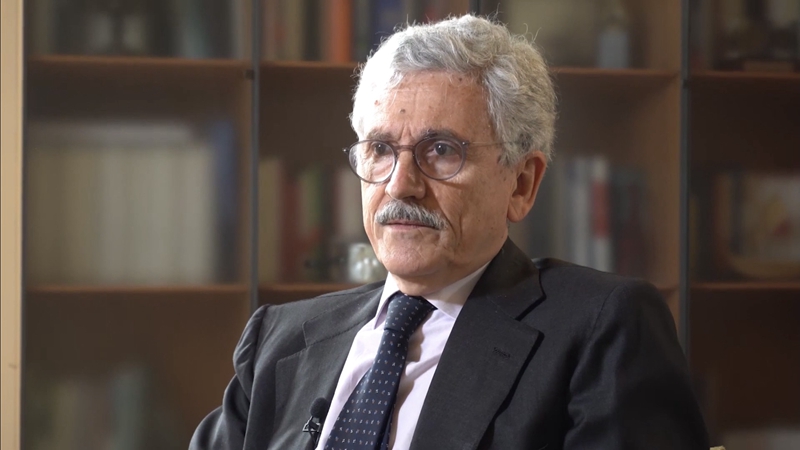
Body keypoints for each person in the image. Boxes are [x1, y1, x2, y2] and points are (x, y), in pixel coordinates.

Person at [190, 15, 709, 450]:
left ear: (521, 184)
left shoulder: (600, 327)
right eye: (380, 150)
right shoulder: (279, 339)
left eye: (441, 151)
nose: (401, 184)